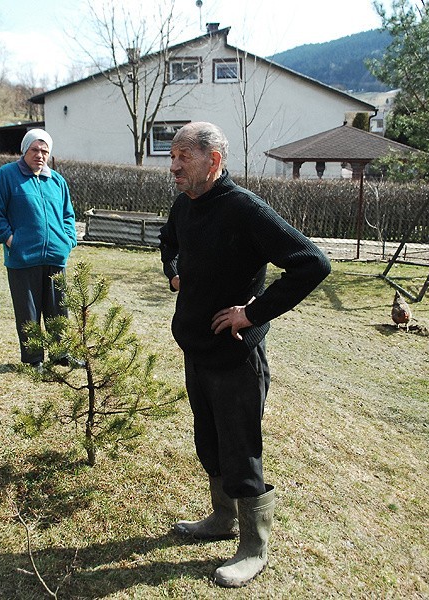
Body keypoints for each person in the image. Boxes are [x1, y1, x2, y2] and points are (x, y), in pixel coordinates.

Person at [159, 122, 331, 587]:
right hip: (196, 350)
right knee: (208, 444)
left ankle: (254, 548)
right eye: (171, 156)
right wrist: (174, 273)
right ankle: (221, 519)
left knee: (241, 453)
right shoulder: (185, 203)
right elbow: (168, 241)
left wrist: (253, 312)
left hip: (236, 359)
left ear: (213, 161)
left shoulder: (245, 209)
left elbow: (312, 263)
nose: (172, 166)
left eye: (182, 158)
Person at [0, 129, 78, 369]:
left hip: (56, 256)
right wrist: (9, 239)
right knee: (28, 312)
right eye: (35, 149)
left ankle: (61, 354)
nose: (40, 155)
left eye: (45, 151)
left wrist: (68, 240)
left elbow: (68, 215)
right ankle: (33, 359)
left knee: (59, 310)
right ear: (25, 150)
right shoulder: (6, 176)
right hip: (22, 257)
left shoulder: (57, 181)